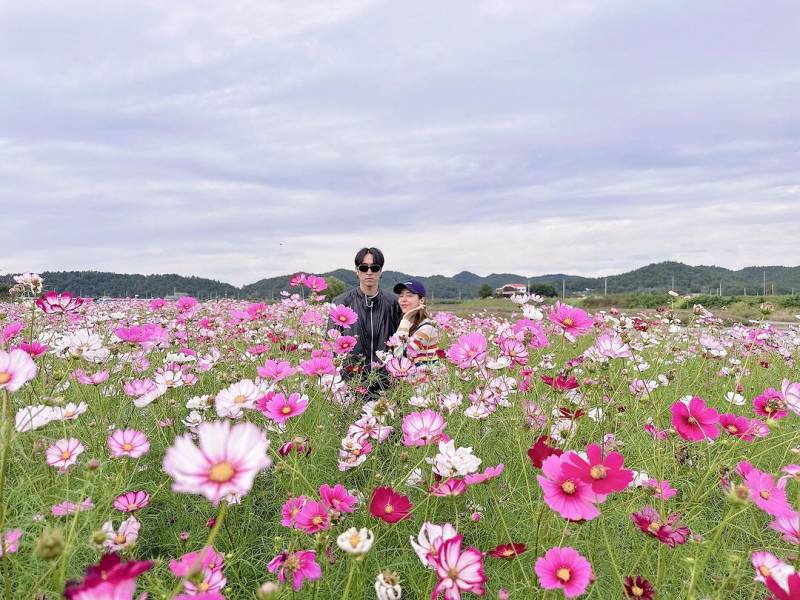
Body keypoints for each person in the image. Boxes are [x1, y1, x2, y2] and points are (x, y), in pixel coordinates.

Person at [331, 247, 402, 391]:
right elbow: (332, 343)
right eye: (364, 268)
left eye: (374, 268)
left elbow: (401, 343)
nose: (369, 272)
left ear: (381, 271)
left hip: (386, 381)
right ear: (357, 271)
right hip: (351, 381)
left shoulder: (394, 303)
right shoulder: (341, 302)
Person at [391, 279, 440, 368]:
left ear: (421, 300)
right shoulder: (408, 324)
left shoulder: (427, 328)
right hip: (413, 380)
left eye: (409, 295)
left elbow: (399, 356)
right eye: (401, 296)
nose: (403, 300)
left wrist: (405, 319)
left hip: (426, 380)